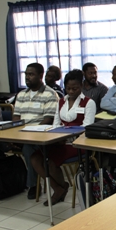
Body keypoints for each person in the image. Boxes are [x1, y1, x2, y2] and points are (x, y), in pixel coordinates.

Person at [31, 69, 96, 206]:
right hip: (59, 141)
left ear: (82, 86)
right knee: (35, 158)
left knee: (50, 161)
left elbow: (86, 127)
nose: (71, 91)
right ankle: (59, 188)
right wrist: (57, 136)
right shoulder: (61, 101)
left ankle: (60, 190)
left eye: (75, 88)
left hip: (77, 143)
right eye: (68, 88)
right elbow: (55, 124)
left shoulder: (88, 103)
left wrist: (66, 136)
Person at [12, 63, 58, 199]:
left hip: (41, 135)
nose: (27, 77)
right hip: (21, 134)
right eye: (26, 74)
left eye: (31, 74)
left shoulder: (50, 94)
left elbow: (48, 119)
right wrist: (15, 133)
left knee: (28, 148)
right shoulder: (21, 94)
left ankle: (33, 185)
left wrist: (30, 132)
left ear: (40, 76)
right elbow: (16, 117)